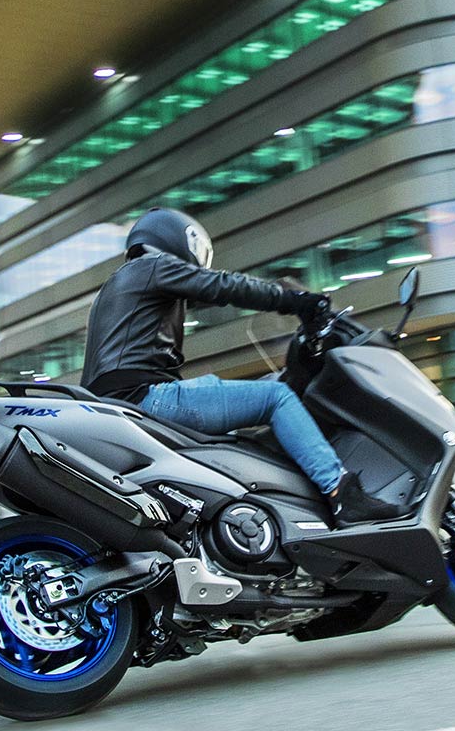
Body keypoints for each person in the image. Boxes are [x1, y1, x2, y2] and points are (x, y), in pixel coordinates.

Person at [80, 208, 403, 526]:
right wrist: (297, 301)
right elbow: (223, 285)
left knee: (266, 389)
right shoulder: (152, 266)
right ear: (177, 239)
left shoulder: (119, 285)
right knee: (277, 397)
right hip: (145, 397)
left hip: (120, 403)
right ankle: (342, 494)